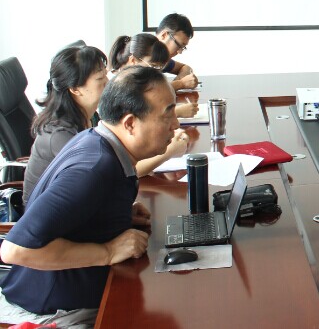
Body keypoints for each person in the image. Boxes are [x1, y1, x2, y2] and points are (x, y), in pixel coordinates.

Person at [0, 67, 180, 327]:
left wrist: (111, 215)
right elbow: (15, 250)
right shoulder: (93, 170)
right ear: (130, 123)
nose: (176, 124)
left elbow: (73, 211)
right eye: (168, 113)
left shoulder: (99, 140)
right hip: (54, 308)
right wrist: (107, 251)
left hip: (85, 288)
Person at [24, 46, 190, 204]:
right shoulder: (60, 134)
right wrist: (168, 152)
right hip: (53, 217)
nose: (108, 82)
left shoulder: (92, 115)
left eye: (105, 75)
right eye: (100, 78)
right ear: (75, 89)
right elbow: (112, 170)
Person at [109, 33, 199, 119]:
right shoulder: (116, 85)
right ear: (133, 60)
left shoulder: (140, 72)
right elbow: (135, 120)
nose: (157, 73)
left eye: (160, 68)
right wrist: (176, 112)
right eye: (154, 67)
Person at [154, 13, 198, 91]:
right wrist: (181, 83)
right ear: (164, 35)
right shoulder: (142, 55)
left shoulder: (161, 59)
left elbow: (185, 67)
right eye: (178, 45)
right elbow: (148, 93)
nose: (179, 52)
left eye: (183, 47)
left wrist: (173, 85)